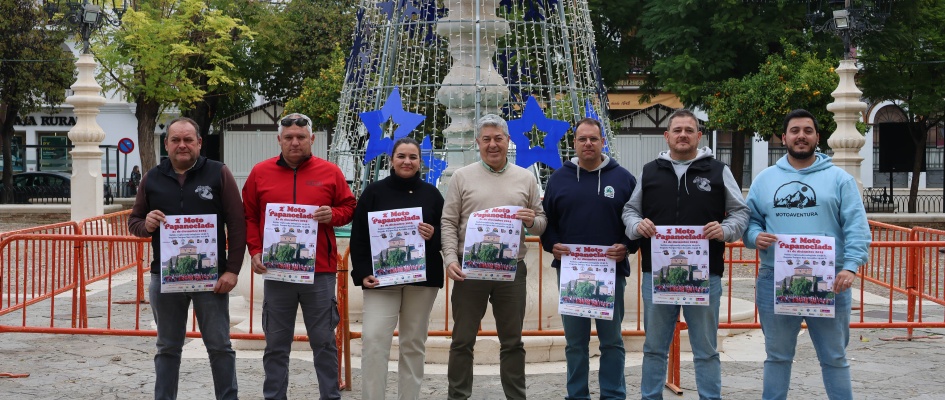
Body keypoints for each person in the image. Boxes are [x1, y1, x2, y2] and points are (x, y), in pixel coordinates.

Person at [621, 109, 749, 400]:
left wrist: (726, 229)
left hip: (705, 277)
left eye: (688, 130)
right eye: (677, 130)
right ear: (667, 136)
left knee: (705, 349)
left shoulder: (718, 171)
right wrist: (637, 225)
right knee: (654, 347)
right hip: (657, 275)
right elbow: (630, 210)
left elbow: (741, 213)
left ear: (699, 136)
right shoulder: (650, 171)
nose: (682, 135)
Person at [743, 109, 871, 400]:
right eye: (795, 130)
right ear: (784, 137)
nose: (801, 136)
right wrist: (753, 236)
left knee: (834, 356)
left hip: (832, 281)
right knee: (776, 356)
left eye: (808, 131)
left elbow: (857, 227)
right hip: (775, 279)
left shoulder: (840, 179)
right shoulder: (765, 180)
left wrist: (850, 267)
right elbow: (749, 220)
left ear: (817, 137)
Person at [128, 117, 245, 400]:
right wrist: (148, 225)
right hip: (166, 279)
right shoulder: (151, 178)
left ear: (199, 143)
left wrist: (232, 271)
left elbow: (237, 222)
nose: (182, 145)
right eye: (176, 140)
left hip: (211, 279)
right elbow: (134, 222)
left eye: (188, 140)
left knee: (219, 346)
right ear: (166, 143)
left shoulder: (218, 173)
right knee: (167, 347)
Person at [242, 113, 356, 400]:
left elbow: (349, 206)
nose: (295, 142)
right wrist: (255, 250)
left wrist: (334, 215)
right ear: (279, 139)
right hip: (277, 272)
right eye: (289, 137)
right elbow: (250, 216)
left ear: (312, 140)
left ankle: (330, 396)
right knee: (277, 345)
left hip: (319, 272)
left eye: (301, 137)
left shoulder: (330, 172)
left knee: (324, 342)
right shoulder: (260, 172)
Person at [441, 113, 547, 400]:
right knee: (462, 340)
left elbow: (541, 222)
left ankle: (516, 396)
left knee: (512, 341)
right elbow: (448, 221)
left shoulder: (526, 178)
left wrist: (530, 222)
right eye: (486, 139)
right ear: (477, 143)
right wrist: (450, 258)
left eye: (498, 138)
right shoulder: (462, 177)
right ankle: (458, 396)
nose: (492, 144)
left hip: (511, 271)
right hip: (469, 270)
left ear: (508, 141)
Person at [540, 117, 638, 400]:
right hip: (571, 273)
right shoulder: (559, 178)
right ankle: (577, 394)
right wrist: (551, 244)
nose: (588, 144)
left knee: (612, 341)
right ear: (574, 143)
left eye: (593, 139)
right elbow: (548, 221)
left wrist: (628, 245)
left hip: (611, 272)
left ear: (602, 142)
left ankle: (613, 394)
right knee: (575, 343)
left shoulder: (623, 179)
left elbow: (635, 220)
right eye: (582, 139)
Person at [350, 137, 445, 400]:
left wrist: (432, 235)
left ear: (420, 162)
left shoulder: (432, 194)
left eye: (413, 157)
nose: (407, 161)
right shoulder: (374, 192)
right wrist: (362, 272)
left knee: (413, 344)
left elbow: (448, 235)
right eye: (401, 156)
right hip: (381, 281)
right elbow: (358, 237)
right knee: (373, 341)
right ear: (392, 160)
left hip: (421, 281)